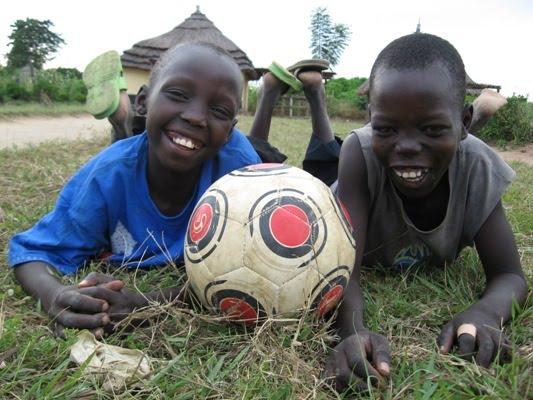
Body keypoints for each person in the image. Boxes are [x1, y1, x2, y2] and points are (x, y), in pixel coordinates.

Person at [8, 42, 264, 339]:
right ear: (143, 101)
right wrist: (54, 295)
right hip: (132, 156)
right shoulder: (107, 176)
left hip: (245, 157)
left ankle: (122, 120)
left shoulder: (241, 174)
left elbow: (249, 274)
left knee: (269, 156)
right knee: (125, 154)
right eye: (179, 95)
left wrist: (146, 303)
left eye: (219, 110)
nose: (195, 116)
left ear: (230, 130)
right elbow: (33, 252)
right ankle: (122, 122)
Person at [323, 33, 527, 392]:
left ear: (464, 122)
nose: (406, 147)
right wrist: (351, 330)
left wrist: (486, 312)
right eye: (386, 129)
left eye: (431, 129)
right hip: (328, 209)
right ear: (371, 119)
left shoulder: (478, 166)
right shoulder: (360, 151)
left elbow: (510, 275)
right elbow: (343, 272)